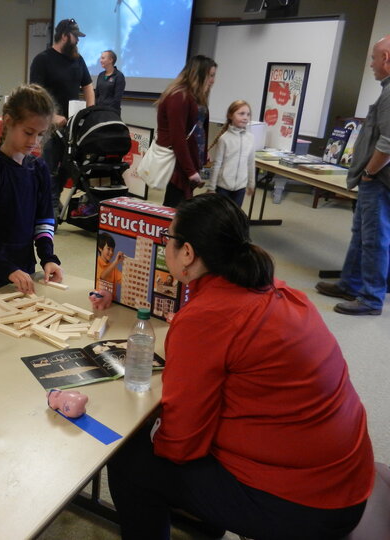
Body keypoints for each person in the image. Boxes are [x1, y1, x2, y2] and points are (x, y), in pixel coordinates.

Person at [108, 194, 375, 540]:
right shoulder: (279, 291)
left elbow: (182, 442)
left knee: (130, 458)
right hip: (346, 476)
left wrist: (148, 428)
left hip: (307, 505)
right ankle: (209, 518)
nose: (166, 248)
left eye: (168, 241)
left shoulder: (210, 317)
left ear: (187, 253)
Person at [0, 84, 63, 297]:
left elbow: (44, 221)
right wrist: (8, 269)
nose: (34, 141)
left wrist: (48, 258)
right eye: (28, 132)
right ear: (8, 121)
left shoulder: (39, 169)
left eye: (40, 134)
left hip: (24, 270)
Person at [316, 35, 390, 316]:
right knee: (361, 234)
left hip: (379, 181)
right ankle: (350, 283)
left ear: (385, 59)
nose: (370, 63)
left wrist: (370, 172)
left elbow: (388, 143)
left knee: (374, 238)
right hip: (375, 181)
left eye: (373, 58)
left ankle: (370, 299)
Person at [29, 18, 95, 217]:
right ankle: (49, 210)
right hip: (50, 125)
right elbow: (35, 92)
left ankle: (52, 200)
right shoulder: (43, 60)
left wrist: (91, 111)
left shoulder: (78, 59)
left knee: (68, 167)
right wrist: (53, 116)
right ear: (65, 36)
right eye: (76, 37)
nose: (78, 41)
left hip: (73, 125)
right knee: (49, 168)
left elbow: (88, 86)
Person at [156, 55, 217, 208]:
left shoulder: (195, 96)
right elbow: (178, 137)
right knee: (174, 205)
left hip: (188, 158)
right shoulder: (179, 96)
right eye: (210, 75)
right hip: (178, 162)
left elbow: (198, 127)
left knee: (182, 204)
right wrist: (190, 171)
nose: (213, 80)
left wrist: (202, 152)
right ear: (199, 74)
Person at [206, 99, 256, 207]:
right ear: (230, 115)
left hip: (240, 187)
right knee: (221, 214)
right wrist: (211, 187)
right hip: (223, 186)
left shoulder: (250, 138)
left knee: (235, 215)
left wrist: (251, 183)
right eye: (241, 114)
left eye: (248, 114)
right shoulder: (224, 139)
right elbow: (217, 164)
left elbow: (251, 162)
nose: (245, 117)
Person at [95, 50, 125, 115]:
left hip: (111, 113)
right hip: (98, 111)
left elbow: (117, 99)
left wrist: (106, 111)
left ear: (111, 60)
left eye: (103, 58)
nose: (100, 60)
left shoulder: (119, 76)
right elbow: (96, 95)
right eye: (101, 58)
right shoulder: (101, 75)